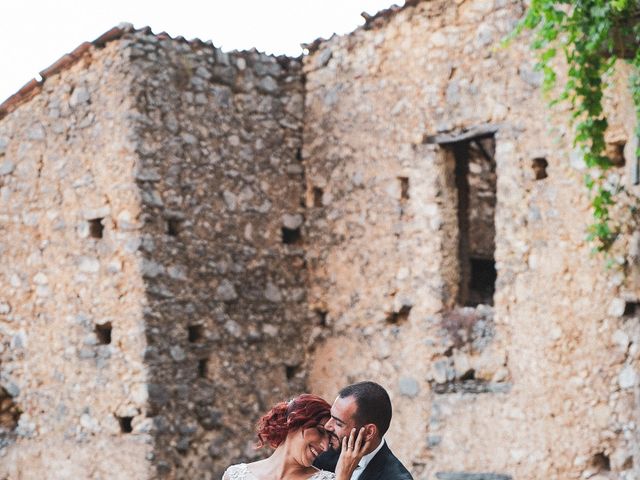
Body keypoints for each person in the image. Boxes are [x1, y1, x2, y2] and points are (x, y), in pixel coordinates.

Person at [222, 393, 370, 480]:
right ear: (294, 421)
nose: (325, 447)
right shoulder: (235, 475)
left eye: (330, 440)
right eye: (320, 431)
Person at [314, 381, 413, 480]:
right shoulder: (323, 453)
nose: (327, 426)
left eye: (339, 423)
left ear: (369, 432)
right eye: (331, 416)